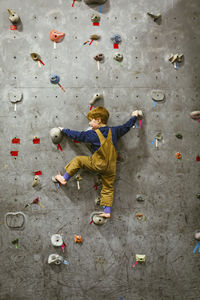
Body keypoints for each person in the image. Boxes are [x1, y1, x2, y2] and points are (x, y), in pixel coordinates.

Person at [55, 107, 141, 219]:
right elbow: (126, 126)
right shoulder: (114, 131)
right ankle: (107, 211)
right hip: (111, 167)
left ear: (99, 120)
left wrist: (63, 130)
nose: (90, 124)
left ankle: (64, 178)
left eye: (91, 120)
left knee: (78, 160)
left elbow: (79, 135)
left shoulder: (93, 134)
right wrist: (134, 116)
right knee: (108, 187)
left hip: (97, 164)